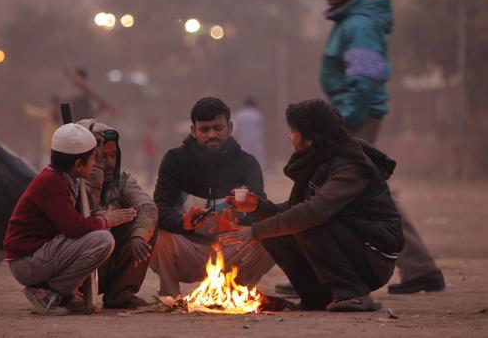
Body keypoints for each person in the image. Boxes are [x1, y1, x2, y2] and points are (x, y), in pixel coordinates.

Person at [316, 0, 445, 294]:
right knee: (364, 192)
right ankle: (420, 268)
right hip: (352, 113)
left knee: (334, 190)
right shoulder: (350, 21)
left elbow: (365, 76)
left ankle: (322, 273)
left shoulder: (358, 24)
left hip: (355, 117)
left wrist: (342, 121)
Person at [221, 99, 403, 312]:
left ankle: (353, 292)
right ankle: (316, 297)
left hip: (373, 256)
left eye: (293, 131)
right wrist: (259, 208)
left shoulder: (350, 165)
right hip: (348, 241)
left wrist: (254, 231)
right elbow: (294, 208)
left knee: (304, 222)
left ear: (309, 138)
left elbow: (312, 212)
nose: (290, 136)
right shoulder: (319, 159)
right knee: (275, 227)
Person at [4, 123, 137, 316]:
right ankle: (50, 293)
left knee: (98, 231)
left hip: (38, 255)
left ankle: (55, 293)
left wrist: (100, 217)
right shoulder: (51, 183)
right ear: (78, 165)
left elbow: (72, 219)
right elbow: (74, 228)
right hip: (27, 262)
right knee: (103, 240)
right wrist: (106, 221)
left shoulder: (64, 179)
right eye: (93, 159)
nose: (95, 165)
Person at [149, 97, 274, 297]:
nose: (211, 135)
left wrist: (237, 222)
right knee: (155, 233)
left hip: (231, 248)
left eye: (218, 128)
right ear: (193, 131)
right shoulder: (175, 160)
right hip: (189, 250)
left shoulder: (247, 163)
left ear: (230, 127)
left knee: (271, 235)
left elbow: (261, 211)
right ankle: (170, 296)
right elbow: (160, 207)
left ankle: (236, 294)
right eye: (204, 130)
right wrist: (183, 223)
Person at [79, 119, 158, 309]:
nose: (109, 163)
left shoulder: (121, 181)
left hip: (105, 266)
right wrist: (93, 179)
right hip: (75, 270)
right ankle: (72, 295)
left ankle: (119, 293)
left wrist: (139, 235)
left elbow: (147, 206)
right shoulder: (69, 182)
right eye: (100, 157)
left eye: (113, 155)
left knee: (142, 222)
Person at [22, 96, 60, 168]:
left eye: (54, 106)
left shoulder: (59, 119)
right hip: (47, 150)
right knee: (44, 167)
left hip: (55, 151)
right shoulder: (47, 116)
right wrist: (25, 106)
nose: (52, 108)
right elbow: (34, 112)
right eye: (51, 106)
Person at [233, 97, 266, 171]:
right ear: (253, 105)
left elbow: (235, 130)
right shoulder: (257, 115)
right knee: (258, 160)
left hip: (243, 141)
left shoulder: (238, 115)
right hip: (256, 141)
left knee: (243, 160)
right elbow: (260, 129)